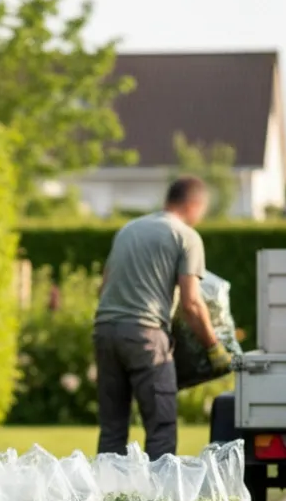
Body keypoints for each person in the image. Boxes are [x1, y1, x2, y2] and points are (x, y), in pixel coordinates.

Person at [93, 176, 230, 458]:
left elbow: (103, 288)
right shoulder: (186, 236)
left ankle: (107, 485)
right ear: (194, 205)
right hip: (145, 336)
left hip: (105, 331)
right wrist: (214, 347)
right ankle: (159, 487)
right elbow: (192, 304)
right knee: (161, 426)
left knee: (112, 428)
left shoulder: (128, 230)